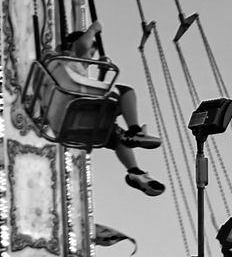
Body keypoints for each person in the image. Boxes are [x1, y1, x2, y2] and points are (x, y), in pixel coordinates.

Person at [61, 22, 165, 195]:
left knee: (117, 137)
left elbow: (88, 88)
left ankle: (135, 172)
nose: (90, 59)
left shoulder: (69, 68)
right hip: (77, 111)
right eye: (91, 54)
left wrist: (101, 74)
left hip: (73, 119)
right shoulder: (71, 58)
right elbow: (82, 45)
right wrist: (93, 29)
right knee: (125, 92)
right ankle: (135, 129)